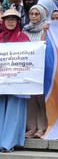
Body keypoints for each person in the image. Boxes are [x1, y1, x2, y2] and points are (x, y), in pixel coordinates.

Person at [0, 9, 30, 151]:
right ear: (3, 21)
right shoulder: (0, 37)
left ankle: (8, 143)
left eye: (13, 19)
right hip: (2, 81)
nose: (10, 21)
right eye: (7, 19)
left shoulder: (23, 37)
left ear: (18, 21)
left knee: (14, 111)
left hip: (18, 81)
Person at [22, 5, 47, 139]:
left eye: (37, 14)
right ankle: (32, 127)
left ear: (42, 15)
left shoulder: (47, 29)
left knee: (41, 99)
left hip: (42, 68)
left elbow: (44, 46)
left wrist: (45, 32)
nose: (33, 16)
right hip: (28, 69)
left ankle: (42, 127)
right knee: (30, 99)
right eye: (31, 13)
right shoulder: (25, 29)